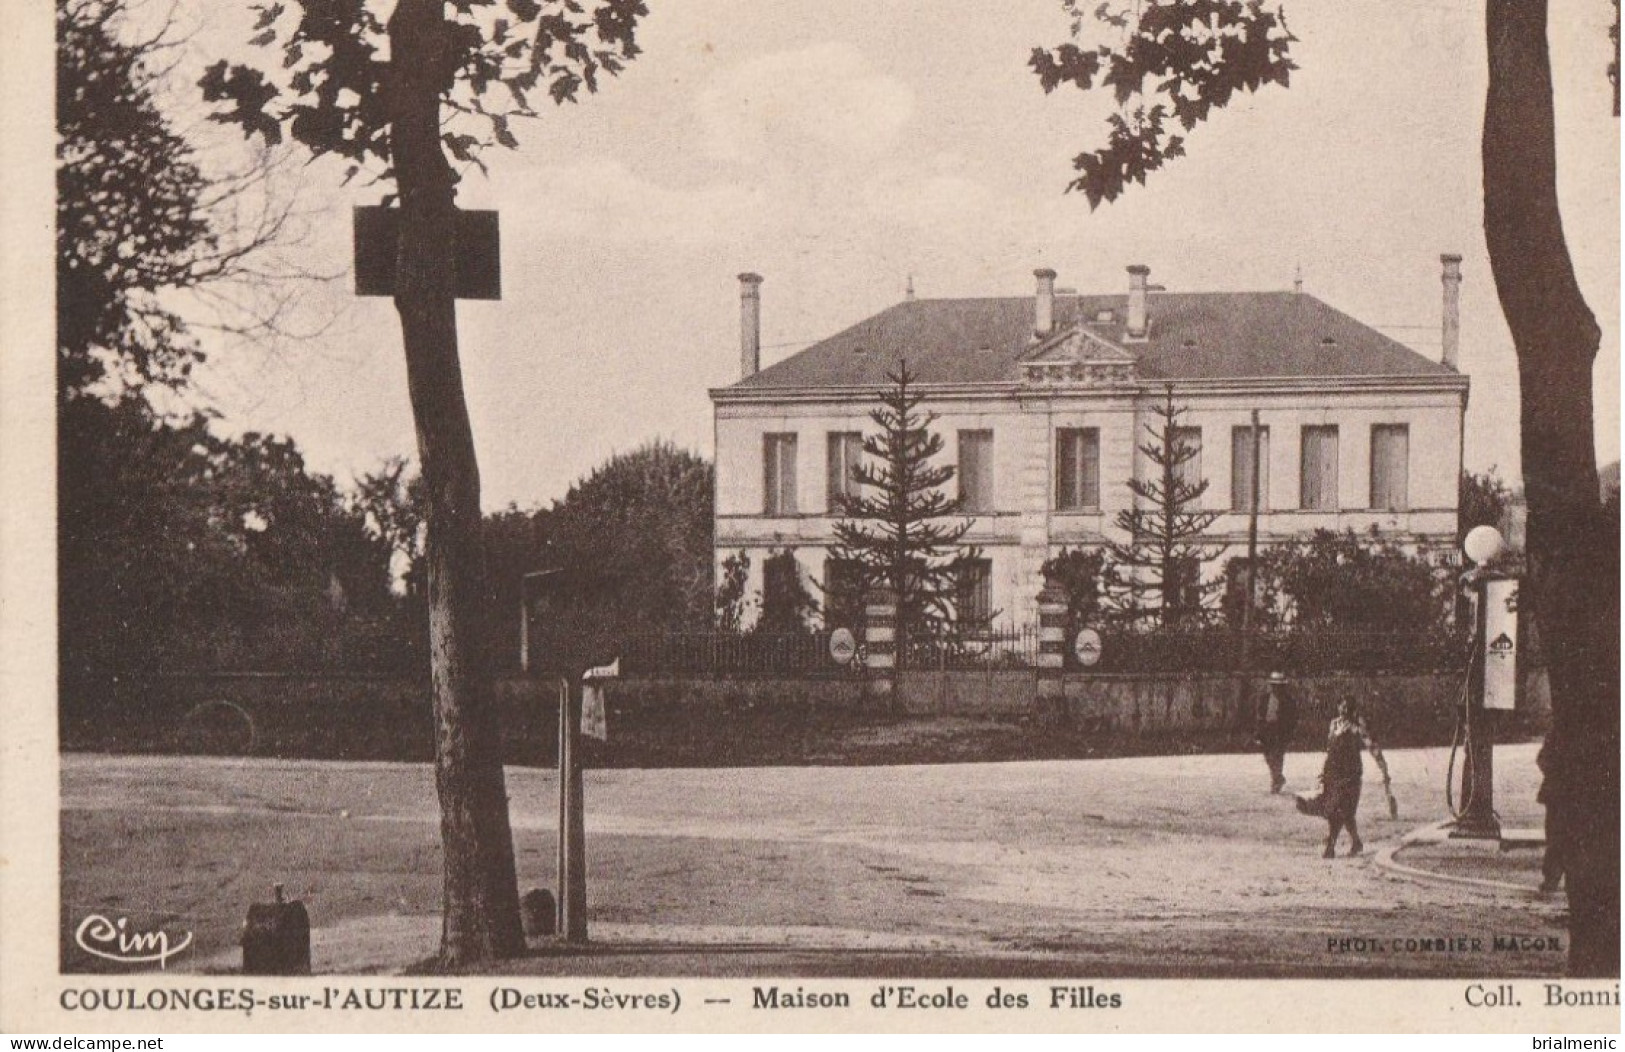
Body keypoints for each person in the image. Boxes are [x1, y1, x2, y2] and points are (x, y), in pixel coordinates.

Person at [1317, 698, 1390, 858]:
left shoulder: (1358, 726)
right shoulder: (1334, 724)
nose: (1344, 711)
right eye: (1342, 707)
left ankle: (1331, 845)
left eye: (1347, 708)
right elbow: (1330, 749)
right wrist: (1324, 772)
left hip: (1351, 773)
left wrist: (1383, 768)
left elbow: (1372, 746)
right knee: (1344, 811)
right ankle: (1356, 842)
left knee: (1340, 808)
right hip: (1333, 771)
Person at [1255, 671, 1298, 793]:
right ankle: (1278, 777)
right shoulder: (1265, 699)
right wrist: (1258, 734)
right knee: (1268, 756)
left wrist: (1291, 735)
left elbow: (1292, 719)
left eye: (1279, 686)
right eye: (1274, 685)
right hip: (1267, 731)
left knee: (1278, 756)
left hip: (1280, 732)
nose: (1276, 688)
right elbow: (1260, 717)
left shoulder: (1289, 701)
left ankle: (1276, 781)